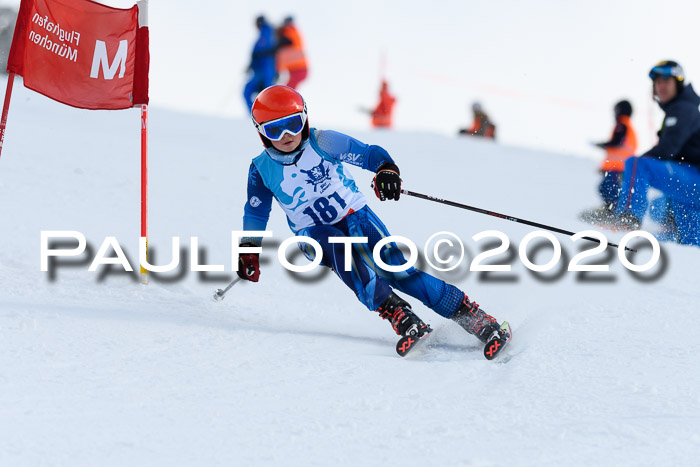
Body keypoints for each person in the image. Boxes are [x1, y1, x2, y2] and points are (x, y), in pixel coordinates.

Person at [236, 85, 510, 357]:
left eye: (293, 124)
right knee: (335, 247)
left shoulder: (323, 141)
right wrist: (248, 250)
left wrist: (386, 171)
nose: (286, 135)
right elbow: (256, 212)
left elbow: (370, 154)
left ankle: (475, 318)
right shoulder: (260, 169)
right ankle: (397, 313)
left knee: (398, 271)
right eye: (274, 129)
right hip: (313, 233)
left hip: (357, 216)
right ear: (260, 132)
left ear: (305, 118)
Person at [598, 60, 700, 245]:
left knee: (636, 164)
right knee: (690, 245)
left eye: (666, 82)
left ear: (677, 83)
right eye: (658, 82)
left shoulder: (684, 109)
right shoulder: (683, 109)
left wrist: (633, 172)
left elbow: (667, 150)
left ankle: (627, 220)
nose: (661, 86)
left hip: (693, 179)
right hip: (690, 189)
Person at [579, 100, 638, 223]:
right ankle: (612, 210)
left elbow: (616, 143)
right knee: (607, 188)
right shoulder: (628, 127)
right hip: (619, 168)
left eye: (615, 110)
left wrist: (602, 145)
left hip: (618, 168)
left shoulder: (622, 125)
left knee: (609, 188)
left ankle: (613, 213)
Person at [243, 15, 277, 110]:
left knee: (264, 94)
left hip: (265, 71)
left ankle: (259, 115)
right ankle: (258, 115)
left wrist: (254, 60)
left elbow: (264, 51)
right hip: (261, 71)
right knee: (252, 93)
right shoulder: (266, 33)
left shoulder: (267, 32)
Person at [275, 16, 308, 89]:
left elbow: (287, 42)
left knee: (288, 88)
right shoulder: (293, 32)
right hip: (297, 68)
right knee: (289, 87)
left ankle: (288, 99)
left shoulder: (289, 31)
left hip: (298, 67)